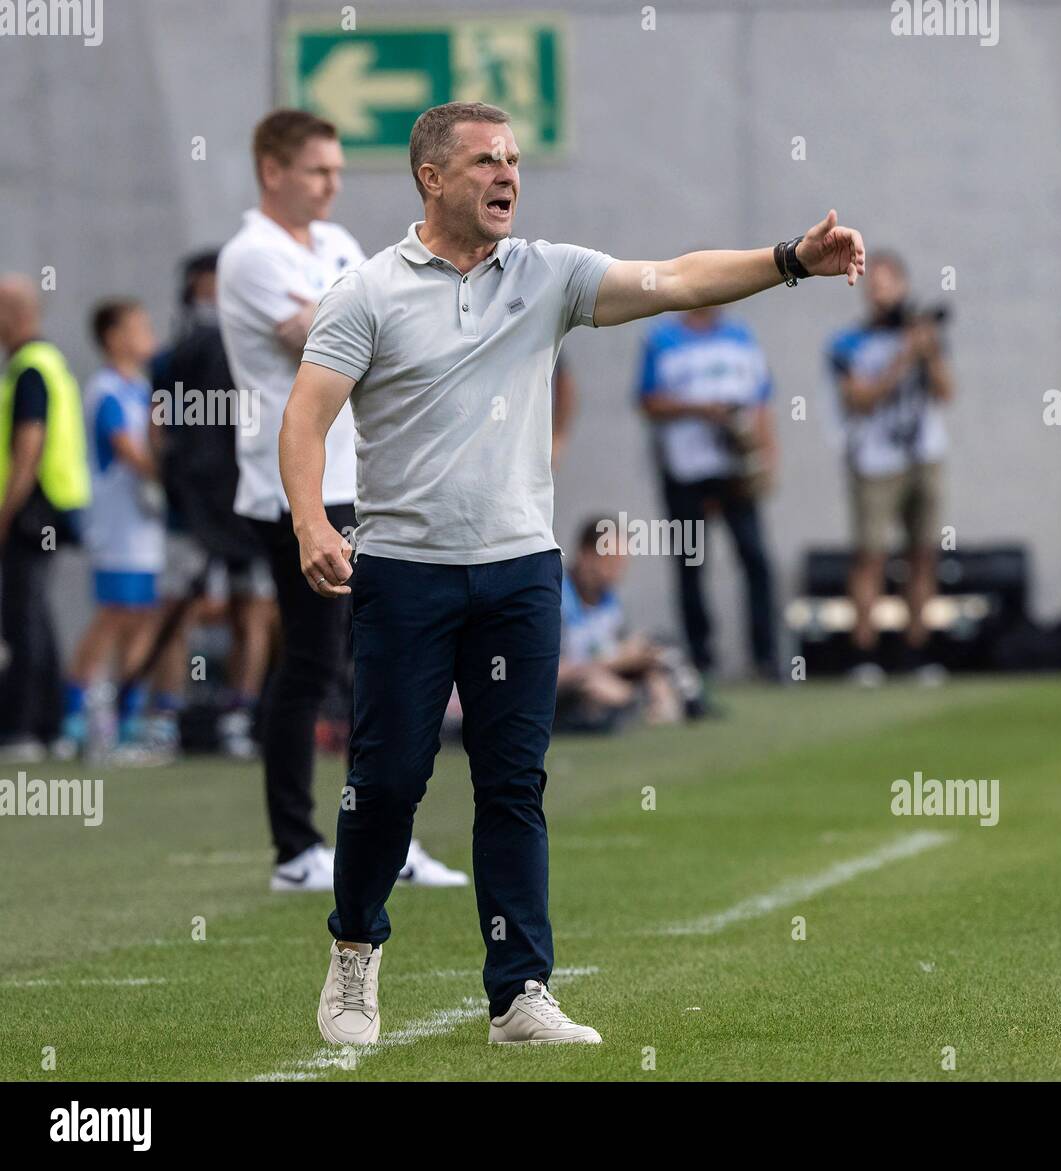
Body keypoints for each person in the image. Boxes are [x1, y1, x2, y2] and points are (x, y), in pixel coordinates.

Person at [279, 100, 864, 1047]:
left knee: (513, 784)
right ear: (432, 178)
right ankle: (354, 948)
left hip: (517, 576)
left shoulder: (548, 274)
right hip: (404, 574)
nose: (507, 174)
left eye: (512, 158)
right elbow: (305, 418)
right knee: (387, 781)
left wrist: (789, 259)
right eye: (483, 161)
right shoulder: (368, 292)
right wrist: (312, 519)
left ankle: (520, 993)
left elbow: (675, 279)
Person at [217, 109, 463, 892]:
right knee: (314, 661)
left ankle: (386, 837)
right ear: (272, 172)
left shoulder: (336, 246)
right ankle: (295, 849)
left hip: (360, 481)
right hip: (290, 486)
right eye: (318, 171)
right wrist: (363, 316)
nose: (333, 185)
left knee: (379, 663)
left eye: (337, 171)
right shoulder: (249, 254)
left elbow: (376, 322)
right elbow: (328, 335)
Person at [151, 250, 277, 759]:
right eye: (205, 286)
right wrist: (173, 485)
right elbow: (158, 425)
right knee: (176, 609)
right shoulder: (174, 357)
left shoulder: (257, 350)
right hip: (193, 510)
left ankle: (239, 716)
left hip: (249, 504)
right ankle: (164, 717)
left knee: (253, 609)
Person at [826, 251, 954, 677]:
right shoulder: (849, 343)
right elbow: (859, 400)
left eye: (887, 283)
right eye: (873, 285)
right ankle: (864, 654)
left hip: (923, 456)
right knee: (871, 556)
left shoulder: (924, 335)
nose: (880, 292)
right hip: (875, 460)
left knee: (922, 555)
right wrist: (902, 358)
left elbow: (946, 392)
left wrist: (929, 351)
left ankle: (917, 651)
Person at [638, 304, 778, 684]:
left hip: (735, 468)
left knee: (756, 557)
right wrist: (702, 409)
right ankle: (701, 658)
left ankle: (766, 655)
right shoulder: (662, 339)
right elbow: (648, 400)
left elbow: (762, 399)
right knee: (691, 562)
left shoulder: (740, 336)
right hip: (685, 469)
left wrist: (767, 456)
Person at [61, 300, 167, 760]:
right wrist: (174, 477)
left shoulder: (143, 388)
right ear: (113, 337)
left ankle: (126, 721)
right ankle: (74, 717)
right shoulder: (105, 391)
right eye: (138, 327)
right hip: (115, 525)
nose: (148, 334)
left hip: (146, 523)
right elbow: (131, 453)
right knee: (114, 613)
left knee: (143, 613)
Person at [0, 275, 90, 760]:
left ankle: (22, 729)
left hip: (34, 509)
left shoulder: (29, 368)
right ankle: (50, 725)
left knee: (23, 617)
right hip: (54, 506)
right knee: (36, 615)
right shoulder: (49, 363)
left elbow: (28, 445)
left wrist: (5, 512)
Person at [556, 517, 702, 731]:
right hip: (569, 686)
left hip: (602, 672)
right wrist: (612, 662)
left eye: (621, 563)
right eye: (610, 562)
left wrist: (636, 657)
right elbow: (546, 671)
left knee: (659, 646)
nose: (616, 572)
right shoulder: (556, 598)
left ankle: (683, 702)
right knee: (596, 687)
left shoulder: (608, 599)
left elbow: (614, 646)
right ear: (585, 556)